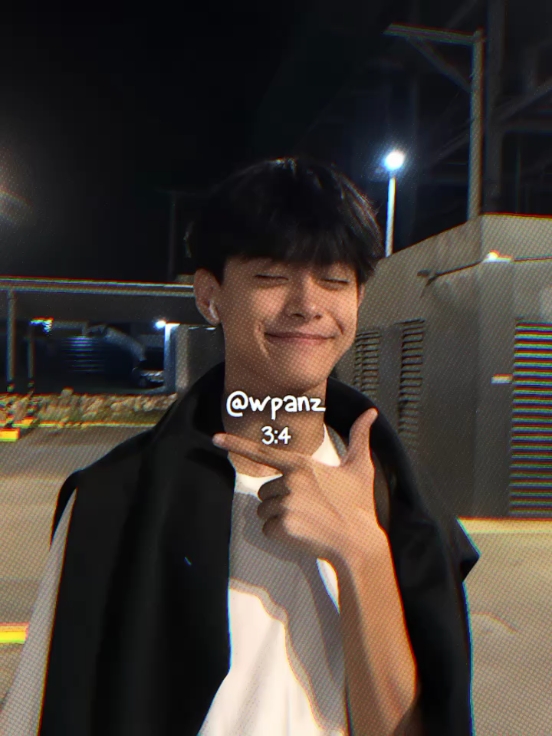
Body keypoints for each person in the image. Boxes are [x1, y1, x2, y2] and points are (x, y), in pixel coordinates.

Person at [0, 156, 479, 736]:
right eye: (272, 276)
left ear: (358, 300)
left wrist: (363, 554)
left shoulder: (402, 503)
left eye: (334, 279)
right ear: (211, 295)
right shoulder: (114, 502)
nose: (307, 304)